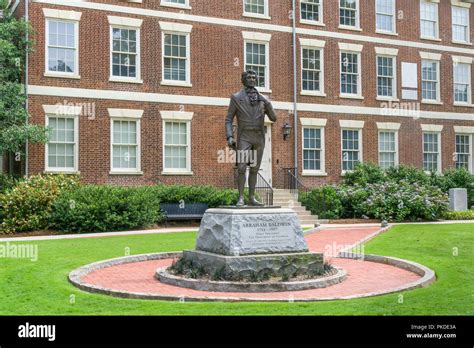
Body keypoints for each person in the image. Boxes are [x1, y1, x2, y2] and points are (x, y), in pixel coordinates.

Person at [225, 70, 277, 207]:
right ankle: (241, 198)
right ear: (243, 80)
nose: (252, 79)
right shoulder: (236, 97)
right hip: (244, 137)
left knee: (254, 169)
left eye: (254, 77)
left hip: (259, 138)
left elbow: (274, 118)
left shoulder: (263, 99)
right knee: (242, 167)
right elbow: (229, 119)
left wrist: (267, 103)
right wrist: (230, 136)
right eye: (249, 77)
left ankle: (252, 198)